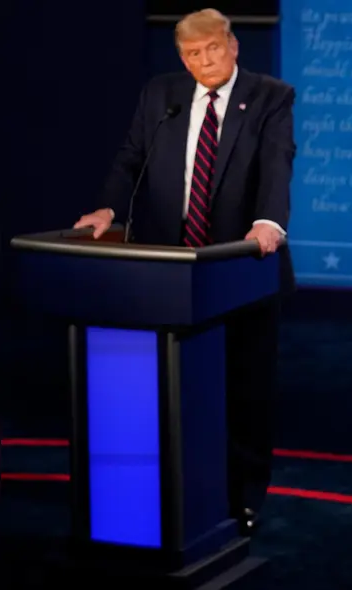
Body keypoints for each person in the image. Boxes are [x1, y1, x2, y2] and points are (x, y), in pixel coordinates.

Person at [73, 8, 295, 536]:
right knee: (170, 389)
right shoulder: (162, 95)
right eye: (192, 55)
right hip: (167, 274)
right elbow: (131, 157)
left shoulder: (269, 96)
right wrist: (108, 209)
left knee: (244, 389)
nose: (204, 62)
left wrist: (268, 222)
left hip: (241, 269)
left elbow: (277, 163)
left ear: (233, 45)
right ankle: (171, 492)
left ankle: (243, 499)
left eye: (212, 50)